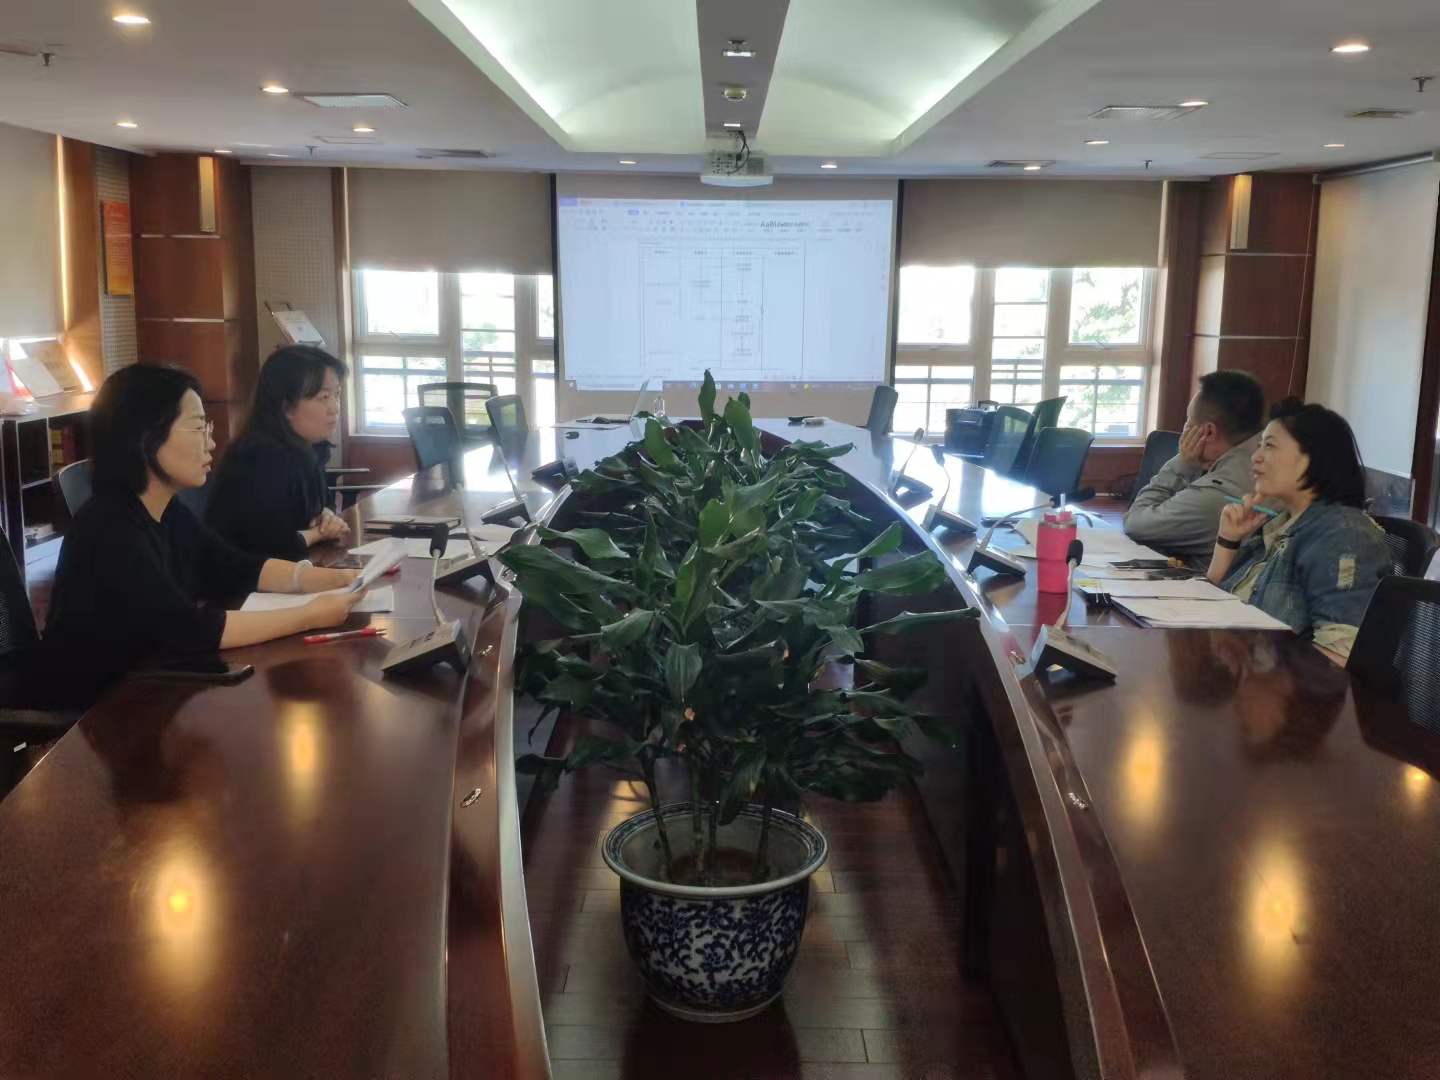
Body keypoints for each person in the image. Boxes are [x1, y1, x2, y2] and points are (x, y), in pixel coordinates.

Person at [29, 365, 367, 709]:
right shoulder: (109, 528)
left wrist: (329, 579)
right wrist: (309, 615)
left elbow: (235, 567)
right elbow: (190, 629)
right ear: (146, 437)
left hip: (152, 690)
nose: (211, 443)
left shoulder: (167, 511)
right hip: (92, 716)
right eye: (197, 427)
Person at [1206, 397, 1390, 663]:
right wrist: (1228, 541)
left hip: (1279, 687)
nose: (1255, 457)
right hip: (1242, 674)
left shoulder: (1343, 536)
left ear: (1313, 458)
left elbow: (1338, 661)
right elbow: (1210, 608)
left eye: (1269, 446)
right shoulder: (1281, 524)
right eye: (1259, 446)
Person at [206, 344, 351, 560]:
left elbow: (321, 504)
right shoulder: (260, 460)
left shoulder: (309, 450)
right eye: (323, 397)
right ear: (286, 408)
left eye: (337, 395)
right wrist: (318, 533)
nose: (335, 407)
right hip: (242, 577)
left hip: (291, 569)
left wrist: (327, 515)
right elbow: (269, 546)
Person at [1124, 370, 1265, 568]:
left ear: (1208, 432)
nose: (1185, 430)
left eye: (1188, 423)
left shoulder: (1219, 492)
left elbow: (1134, 524)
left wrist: (1183, 463)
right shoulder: (1262, 456)